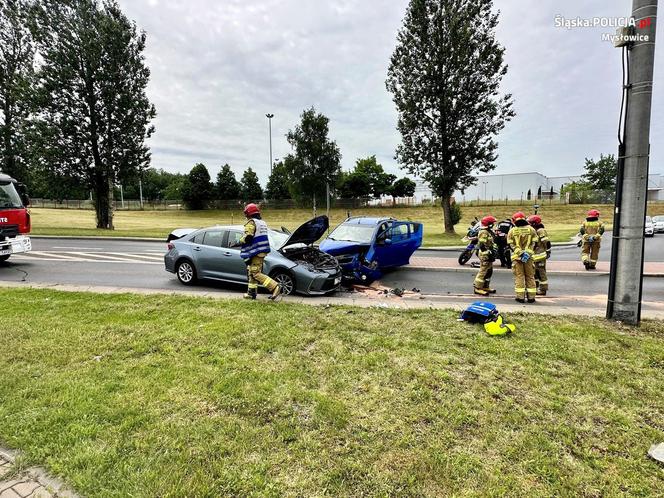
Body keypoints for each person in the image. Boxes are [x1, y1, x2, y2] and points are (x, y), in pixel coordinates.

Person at [239, 203, 281, 300]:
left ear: (249, 213)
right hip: (261, 250)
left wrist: (238, 241)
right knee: (251, 272)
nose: (245, 215)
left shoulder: (251, 222)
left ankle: (275, 286)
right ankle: (251, 294)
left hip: (256, 251)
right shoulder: (262, 222)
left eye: (246, 213)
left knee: (255, 273)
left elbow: (248, 236)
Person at [507, 212, 537, 303]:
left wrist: (519, 253)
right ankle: (531, 297)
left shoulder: (512, 231)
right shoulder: (532, 230)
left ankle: (520, 297)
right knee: (530, 276)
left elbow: (510, 244)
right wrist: (527, 253)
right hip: (529, 258)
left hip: (517, 258)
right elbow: (535, 243)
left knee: (519, 276)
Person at [473, 215, 498, 296]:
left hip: (489, 254)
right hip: (485, 255)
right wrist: (488, 253)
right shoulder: (483, 232)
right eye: (492, 223)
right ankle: (477, 288)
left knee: (489, 271)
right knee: (483, 271)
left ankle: (485, 286)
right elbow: (482, 244)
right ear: (489, 224)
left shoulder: (488, 231)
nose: (493, 225)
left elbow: (491, 242)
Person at [528, 214, 551, 296]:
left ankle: (543, 289)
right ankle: (536, 287)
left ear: (534, 223)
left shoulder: (540, 230)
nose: (529, 224)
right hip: (535, 256)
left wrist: (548, 251)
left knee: (541, 273)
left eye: (530, 223)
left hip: (540, 255)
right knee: (535, 273)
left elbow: (546, 242)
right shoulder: (535, 230)